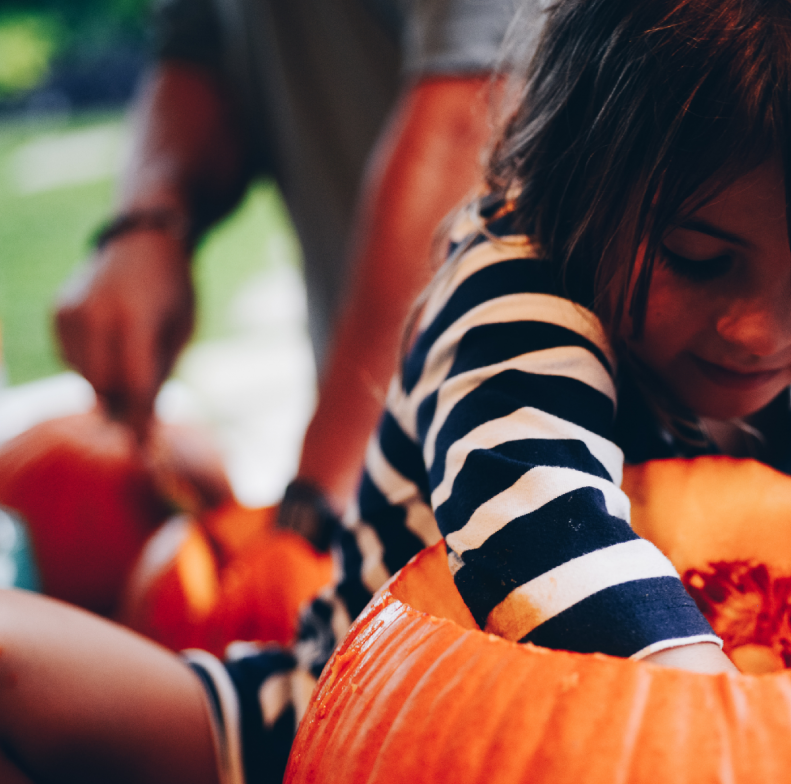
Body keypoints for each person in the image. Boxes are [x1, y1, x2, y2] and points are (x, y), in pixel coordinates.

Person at [0, 0, 791, 784]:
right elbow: (539, 525)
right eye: (700, 259)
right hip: (343, 741)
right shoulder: (513, 284)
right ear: (582, 180)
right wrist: (734, 742)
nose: (755, 328)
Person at [53, 0, 542, 527]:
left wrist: (320, 501)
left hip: (551, 440)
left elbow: (472, 112)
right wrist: (149, 222)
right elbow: (201, 42)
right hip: (379, 461)